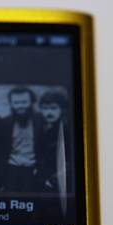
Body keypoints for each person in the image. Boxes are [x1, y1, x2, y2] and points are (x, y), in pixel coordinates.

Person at [0, 87, 44, 192]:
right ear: (11, 104)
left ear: (31, 102)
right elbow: (0, 151)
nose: (20, 106)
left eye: (24, 102)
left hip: (33, 170)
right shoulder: (5, 122)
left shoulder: (40, 121)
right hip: (11, 170)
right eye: (16, 102)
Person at [38, 88, 71, 216]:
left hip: (58, 184)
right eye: (45, 109)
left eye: (53, 108)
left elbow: (70, 163)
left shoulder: (66, 130)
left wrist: (53, 180)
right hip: (43, 182)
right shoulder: (42, 128)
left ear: (62, 109)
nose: (49, 113)